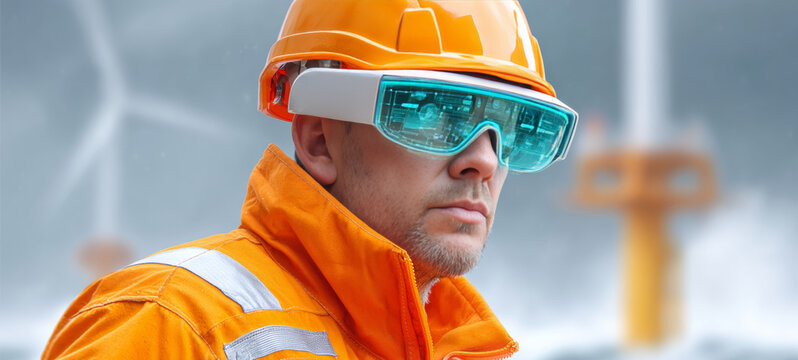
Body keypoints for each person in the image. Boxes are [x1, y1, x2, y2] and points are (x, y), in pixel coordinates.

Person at [42, 0, 578, 359]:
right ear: (320, 141)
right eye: (432, 114)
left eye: (516, 131)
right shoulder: (170, 325)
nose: (483, 160)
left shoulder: (461, 347)